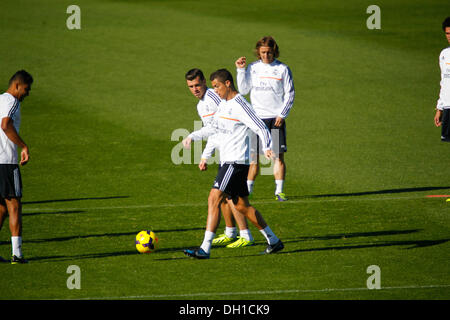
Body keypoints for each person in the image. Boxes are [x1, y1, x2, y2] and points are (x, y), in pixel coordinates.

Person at [182, 69, 284, 259]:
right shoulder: (224, 104)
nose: (215, 91)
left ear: (228, 84)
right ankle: (274, 240)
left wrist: (268, 147)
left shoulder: (240, 105)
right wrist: (192, 136)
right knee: (241, 205)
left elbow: (261, 126)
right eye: (213, 87)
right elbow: (213, 127)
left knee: (214, 198)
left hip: (235, 161)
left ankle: (205, 248)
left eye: (217, 86)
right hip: (228, 160)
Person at [184, 68, 255, 248]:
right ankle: (231, 232)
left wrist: (206, 154)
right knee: (225, 197)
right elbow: (214, 130)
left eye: (198, 85)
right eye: (191, 86)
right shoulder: (200, 105)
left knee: (229, 197)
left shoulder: (214, 98)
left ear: (205, 83)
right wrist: (206, 155)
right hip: (225, 153)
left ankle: (245, 235)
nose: (195, 89)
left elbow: (222, 125)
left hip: (234, 151)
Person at [235, 36, 295, 201]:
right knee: (254, 158)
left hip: (275, 119)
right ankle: (247, 191)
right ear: (258, 52)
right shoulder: (253, 68)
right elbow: (243, 89)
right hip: (257, 120)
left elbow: (290, 93)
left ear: (274, 51)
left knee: (277, 156)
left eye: (269, 52)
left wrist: (282, 114)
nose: (266, 55)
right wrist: (240, 70)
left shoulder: (282, 69)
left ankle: (279, 192)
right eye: (263, 52)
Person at [0, 70, 33, 264]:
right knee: (14, 206)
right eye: (26, 89)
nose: (27, 94)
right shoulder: (12, 102)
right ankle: (17, 254)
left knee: (2, 208)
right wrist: (23, 146)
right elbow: (5, 124)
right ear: (17, 86)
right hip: (6, 161)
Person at [434, 17, 450, 142]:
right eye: (447, 33)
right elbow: (444, 83)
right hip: (448, 108)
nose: (449, 36)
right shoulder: (444, 54)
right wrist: (440, 108)